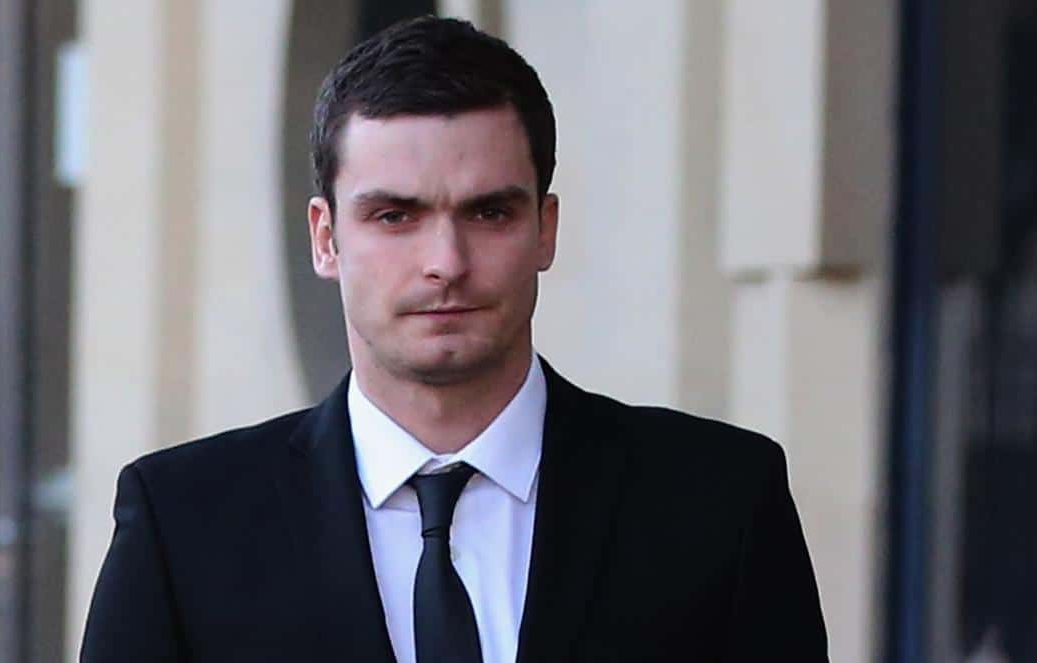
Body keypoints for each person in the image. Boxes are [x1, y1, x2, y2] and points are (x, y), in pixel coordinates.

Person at [80, 16, 828, 663]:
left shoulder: (719, 504)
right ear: (325, 237)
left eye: (489, 213)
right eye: (395, 216)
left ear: (546, 228)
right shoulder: (184, 524)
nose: (446, 261)